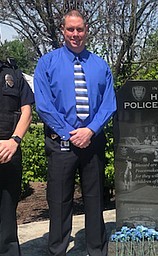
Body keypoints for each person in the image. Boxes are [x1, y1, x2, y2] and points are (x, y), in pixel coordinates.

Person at [34, 10, 116, 256]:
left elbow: (109, 103)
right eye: (70, 29)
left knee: (94, 199)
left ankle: (96, 248)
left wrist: (90, 130)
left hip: (92, 142)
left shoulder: (100, 65)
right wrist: (70, 133)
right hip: (61, 143)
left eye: (79, 29)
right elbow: (44, 106)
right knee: (59, 202)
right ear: (62, 30)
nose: (75, 34)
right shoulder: (47, 63)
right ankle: (58, 250)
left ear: (86, 30)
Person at [0, 58, 34, 255]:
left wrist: (14, 140)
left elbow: (27, 110)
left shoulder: (13, 73)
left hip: (9, 151)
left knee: (7, 211)